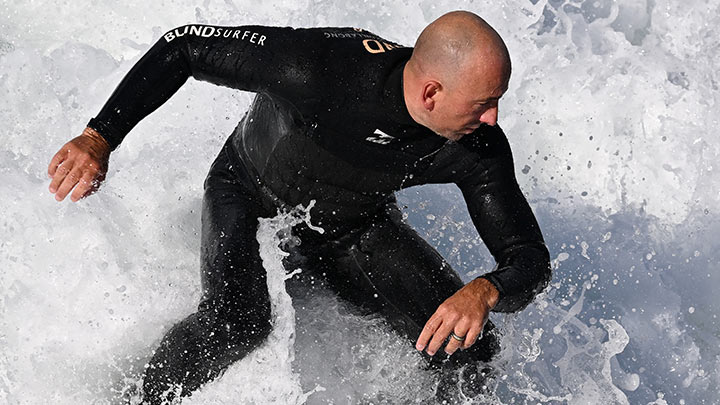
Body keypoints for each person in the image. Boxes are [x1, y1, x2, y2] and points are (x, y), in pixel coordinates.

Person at [47, 10, 551, 404]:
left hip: (351, 229)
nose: (493, 117)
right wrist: (99, 137)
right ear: (431, 91)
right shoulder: (321, 69)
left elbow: (528, 256)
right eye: (484, 102)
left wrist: (486, 291)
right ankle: (141, 400)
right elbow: (186, 45)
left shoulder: (476, 145)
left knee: (470, 351)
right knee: (238, 323)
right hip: (247, 194)